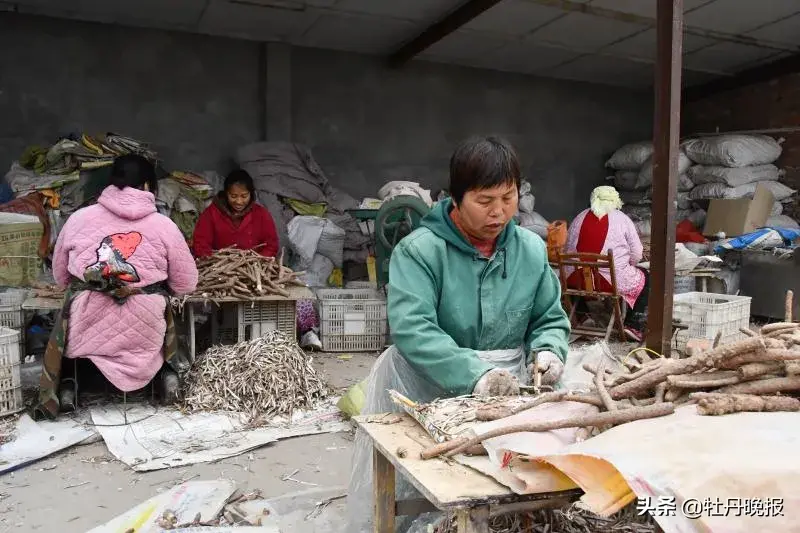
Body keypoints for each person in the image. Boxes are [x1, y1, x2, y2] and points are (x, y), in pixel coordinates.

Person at [346, 136, 571, 532]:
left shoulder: (531, 251)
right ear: (455, 197)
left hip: (507, 388)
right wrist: (475, 374)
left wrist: (549, 349)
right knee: (420, 487)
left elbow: (548, 318)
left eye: (509, 197)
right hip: (424, 387)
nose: (499, 212)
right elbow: (414, 329)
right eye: (485, 201)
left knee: (503, 487)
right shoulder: (419, 251)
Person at [34, 154, 198, 420]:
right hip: (146, 323)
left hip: (88, 319)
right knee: (162, 308)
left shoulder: (78, 219)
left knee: (73, 309)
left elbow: (61, 277)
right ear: (147, 186)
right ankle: (166, 376)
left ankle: (68, 385)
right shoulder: (164, 225)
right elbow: (186, 284)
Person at [192, 170, 321, 348]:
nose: (238, 201)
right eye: (233, 196)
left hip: (259, 271)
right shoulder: (211, 214)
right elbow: (201, 245)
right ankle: (206, 340)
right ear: (225, 194)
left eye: (244, 196)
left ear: (251, 194)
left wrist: (256, 260)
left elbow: (271, 244)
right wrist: (217, 261)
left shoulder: (261, 214)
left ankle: (307, 332)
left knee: (296, 291)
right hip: (221, 272)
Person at [565, 185, 648, 340]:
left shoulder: (579, 217)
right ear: (616, 200)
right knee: (645, 276)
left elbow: (567, 247)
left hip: (575, 280)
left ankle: (581, 316)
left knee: (579, 272)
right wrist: (629, 264)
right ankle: (633, 325)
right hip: (607, 282)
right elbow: (637, 253)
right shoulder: (622, 219)